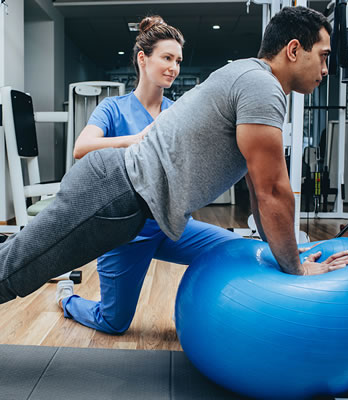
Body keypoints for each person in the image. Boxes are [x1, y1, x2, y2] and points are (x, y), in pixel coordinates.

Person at [0, 6, 348, 307]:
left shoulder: (250, 80)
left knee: (21, 264)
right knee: (18, 269)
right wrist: (296, 268)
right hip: (115, 192)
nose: (326, 71)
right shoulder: (261, 85)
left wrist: (286, 255)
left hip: (130, 205)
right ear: (294, 50)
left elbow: (259, 193)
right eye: (323, 57)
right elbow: (274, 191)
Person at [55, 16, 241, 334]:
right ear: (143, 58)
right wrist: (139, 138)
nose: (174, 67)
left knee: (233, 249)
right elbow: (81, 147)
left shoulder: (177, 110)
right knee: (113, 323)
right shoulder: (112, 108)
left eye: (178, 60)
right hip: (125, 234)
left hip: (170, 226)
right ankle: (67, 299)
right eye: (167, 58)